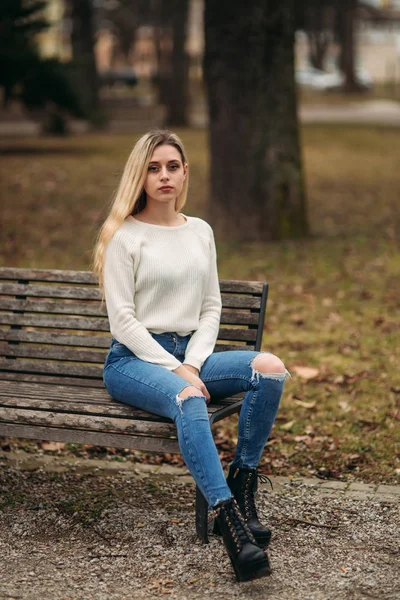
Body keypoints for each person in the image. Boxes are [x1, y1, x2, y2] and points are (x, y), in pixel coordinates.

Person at [93, 130, 289, 583]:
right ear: (139, 176)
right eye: (154, 167)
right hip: (133, 362)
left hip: (190, 356)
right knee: (189, 397)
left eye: (173, 167)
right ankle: (231, 525)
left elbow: (210, 307)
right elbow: (123, 322)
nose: (164, 176)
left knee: (270, 369)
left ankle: (241, 487)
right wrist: (178, 369)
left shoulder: (200, 231)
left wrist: (194, 363)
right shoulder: (123, 235)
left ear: (185, 174)